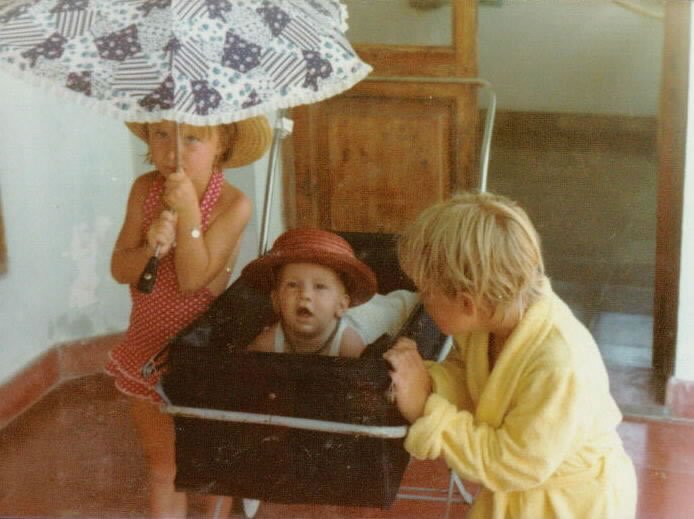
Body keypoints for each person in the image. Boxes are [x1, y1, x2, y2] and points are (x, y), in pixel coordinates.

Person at [384, 192, 637, 519]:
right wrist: (424, 380)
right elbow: (468, 374)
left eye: (426, 291)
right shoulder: (488, 320)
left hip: (571, 504)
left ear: (467, 303)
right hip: (519, 491)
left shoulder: (559, 365)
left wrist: (427, 410)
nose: (421, 299)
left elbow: (512, 464)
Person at [105, 116, 272, 519]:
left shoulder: (233, 204)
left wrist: (188, 217)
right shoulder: (145, 189)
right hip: (148, 347)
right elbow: (120, 269)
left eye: (193, 138)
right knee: (164, 468)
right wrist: (150, 247)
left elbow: (192, 280)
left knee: (212, 467)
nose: (173, 150)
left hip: (203, 356)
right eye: (161, 134)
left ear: (222, 143)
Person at [241, 228, 380, 357]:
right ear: (276, 300)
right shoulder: (266, 344)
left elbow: (364, 373)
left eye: (319, 286)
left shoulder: (349, 344)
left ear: (341, 305)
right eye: (293, 285)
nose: (305, 295)